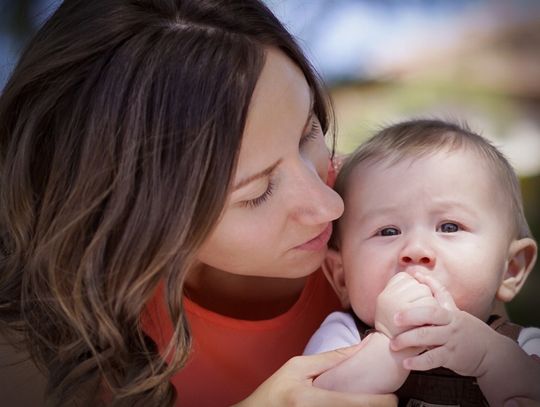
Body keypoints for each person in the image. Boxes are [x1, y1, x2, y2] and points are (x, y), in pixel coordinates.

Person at [0, 0, 399, 406]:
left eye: (307, 133)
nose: (330, 205)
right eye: (257, 192)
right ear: (136, 217)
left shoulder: (401, 217)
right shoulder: (44, 330)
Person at [304, 119, 540, 406]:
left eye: (449, 227)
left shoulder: (525, 346)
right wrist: (389, 344)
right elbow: (311, 398)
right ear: (341, 276)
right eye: (388, 231)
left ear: (510, 269)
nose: (415, 250)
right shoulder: (343, 337)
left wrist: (490, 359)